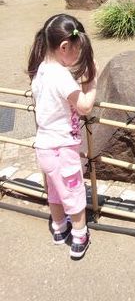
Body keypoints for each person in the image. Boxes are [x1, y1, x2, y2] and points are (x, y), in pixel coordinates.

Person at [28, 14, 97, 260]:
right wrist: (92, 83)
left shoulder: (41, 70)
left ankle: (59, 228)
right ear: (64, 47)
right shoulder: (60, 76)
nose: (77, 57)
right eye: (77, 51)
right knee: (74, 190)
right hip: (63, 146)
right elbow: (85, 106)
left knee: (55, 190)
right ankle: (80, 234)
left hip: (44, 146)